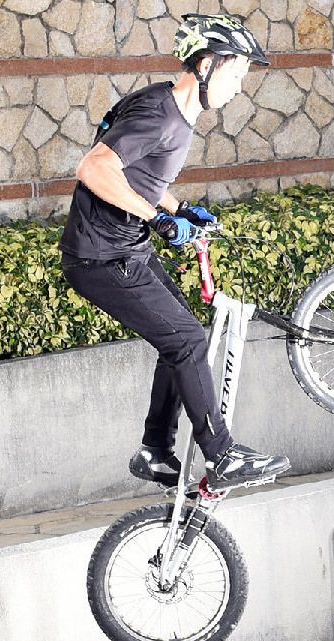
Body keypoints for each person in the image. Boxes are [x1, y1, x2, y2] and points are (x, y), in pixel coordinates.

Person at [59, 14, 289, 492]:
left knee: (181, 337)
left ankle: (154, 450)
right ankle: (222, 455)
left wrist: (178, 208)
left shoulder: (171, 109)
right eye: (235, 74)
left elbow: (137, 172)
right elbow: (93, 168)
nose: (239, 88)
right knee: (186, 340)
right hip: (102, 257)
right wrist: (157, 219)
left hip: (125, 248)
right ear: (206, 65)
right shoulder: (160, 114)